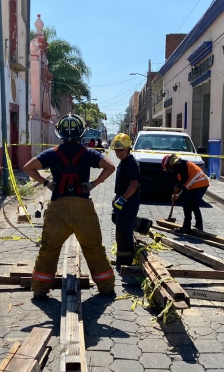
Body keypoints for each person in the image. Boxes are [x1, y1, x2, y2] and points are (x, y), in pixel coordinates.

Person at [23, 114, 116, 298]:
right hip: (83, 208)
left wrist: (46, 183)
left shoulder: (51, 153)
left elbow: (28, 167)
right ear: (82, 133)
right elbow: (110, 167)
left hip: (59, 208)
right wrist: (93, 184)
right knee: (94, 248)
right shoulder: (88, 153)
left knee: (49, 249)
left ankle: (40, 289)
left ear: (60, 134)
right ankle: (106, 287)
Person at [110, 133, 140, 270]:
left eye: (121, 150)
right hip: (122, 200)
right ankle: (121, 258)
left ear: (128, 149)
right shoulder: (124, 162)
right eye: (117, 151)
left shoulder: (131, 164)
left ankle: (126, 262)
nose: (119, 153)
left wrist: (122, 200)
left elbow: (133, 185)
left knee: (125, 231)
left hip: (128, 202)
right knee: (120, 229)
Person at [162, 153, 210, 233]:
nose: (170, 171)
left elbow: (185, 179)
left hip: (198, 184)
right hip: (203, 184)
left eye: (169, 168)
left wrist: (178, 186)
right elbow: (186, 185)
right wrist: (179, 195)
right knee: (194, 205)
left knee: (187, 205)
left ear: (170, 164)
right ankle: (199, 226)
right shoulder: (182, 165)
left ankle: (186, 227)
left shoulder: (179, 165)